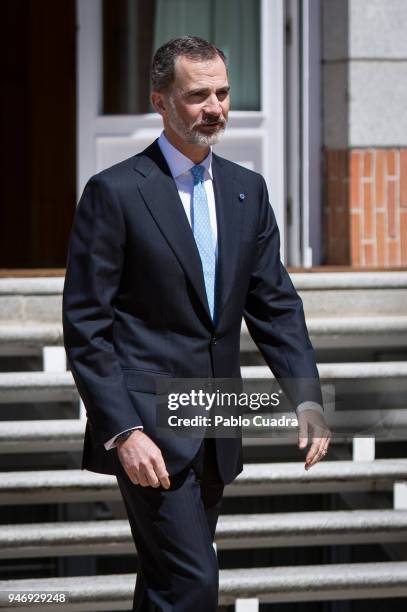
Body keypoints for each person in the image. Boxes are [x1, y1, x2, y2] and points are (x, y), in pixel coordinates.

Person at [63, 35, 331, 612]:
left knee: (169, 583)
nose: (215, 107)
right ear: (160, 102)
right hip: (149, 428)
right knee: (192, 582)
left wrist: (305, 397)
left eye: (223, 93)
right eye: (197, 95)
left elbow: (275, 304)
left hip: (214, 419)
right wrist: (122, 431)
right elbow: (86, 325)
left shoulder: (246, 190)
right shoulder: (114, 193)